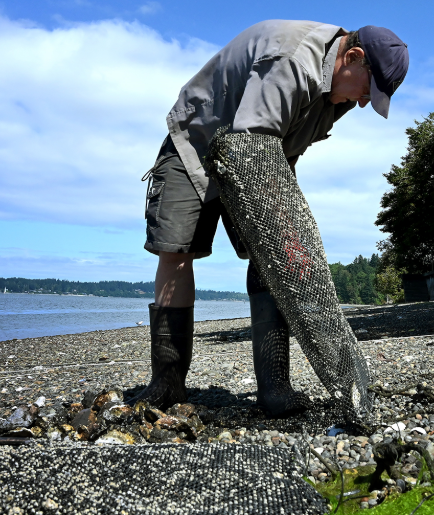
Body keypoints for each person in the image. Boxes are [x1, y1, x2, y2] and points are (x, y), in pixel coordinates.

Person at [132, 20, 409, 417]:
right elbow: (249, 148)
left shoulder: (339, 93)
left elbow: (280, 152)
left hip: (260, 155)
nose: (363, 102)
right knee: (176, 251)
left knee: (276, 255)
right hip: (196, 144)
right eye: (367, 90)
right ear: (353, 57)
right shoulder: (291, 61)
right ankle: (167, 380)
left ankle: (275, 388)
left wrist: (284, 236)